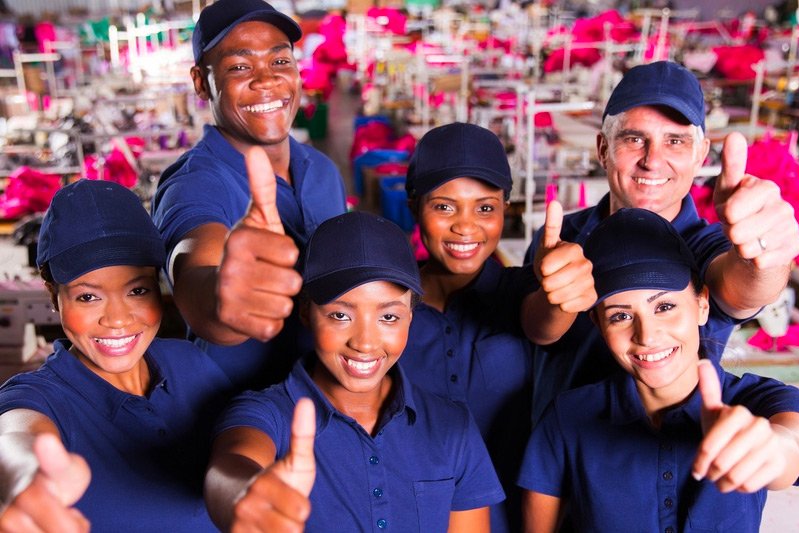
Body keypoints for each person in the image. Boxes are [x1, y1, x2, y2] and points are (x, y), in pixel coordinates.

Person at [523, 60, 799, 424]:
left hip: (667, 460)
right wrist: (553, 301)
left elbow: (742, 288)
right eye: (634, 139)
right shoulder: (560, 238)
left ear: (701, 155)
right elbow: (535, 333)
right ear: (603, 149)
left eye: (675, 141)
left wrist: (765, 256)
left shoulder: (706, 246)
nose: (653, 161)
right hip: (558, 462)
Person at [205, 210, 505, 532]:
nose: (365, 342)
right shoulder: (267, 413)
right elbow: (230, 466)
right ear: (306, 312)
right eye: (340, 316)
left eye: (389, 317)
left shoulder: (452, 425)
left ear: (410, 316)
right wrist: (244, 496)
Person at [518, 208, 799, 532]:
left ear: (702, 305)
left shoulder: (759, 401)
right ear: (597, 323)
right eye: (620, 316)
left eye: (664, 307)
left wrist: (770, 451)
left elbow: (791, 442)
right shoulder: (566, 418)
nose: (647, 335)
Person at [0, 180, 232, 532]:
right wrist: (27, 479)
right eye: (88, 297)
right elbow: (15, 436)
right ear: (53, 295)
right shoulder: (40, 398)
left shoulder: (191, 362)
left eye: (137, 290)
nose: (118, 319)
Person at [400, 122, 595, 532]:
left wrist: (562, 295)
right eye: (445, 206)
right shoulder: (389, 306)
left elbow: (544, 323)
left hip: (508, 514)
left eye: (485, 207)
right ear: (415, 205)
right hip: (412, 514)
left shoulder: (520, 288)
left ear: (505, 208)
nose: (466, 226)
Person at [151, 0, 348, 392]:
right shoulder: (193, 184)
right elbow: (193, 265)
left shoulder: (322, 169)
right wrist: (222, 296)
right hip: (235, 420)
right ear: (200, 81)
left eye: (280, 62)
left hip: (325, 403)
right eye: (239, 67)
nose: (266, 80)